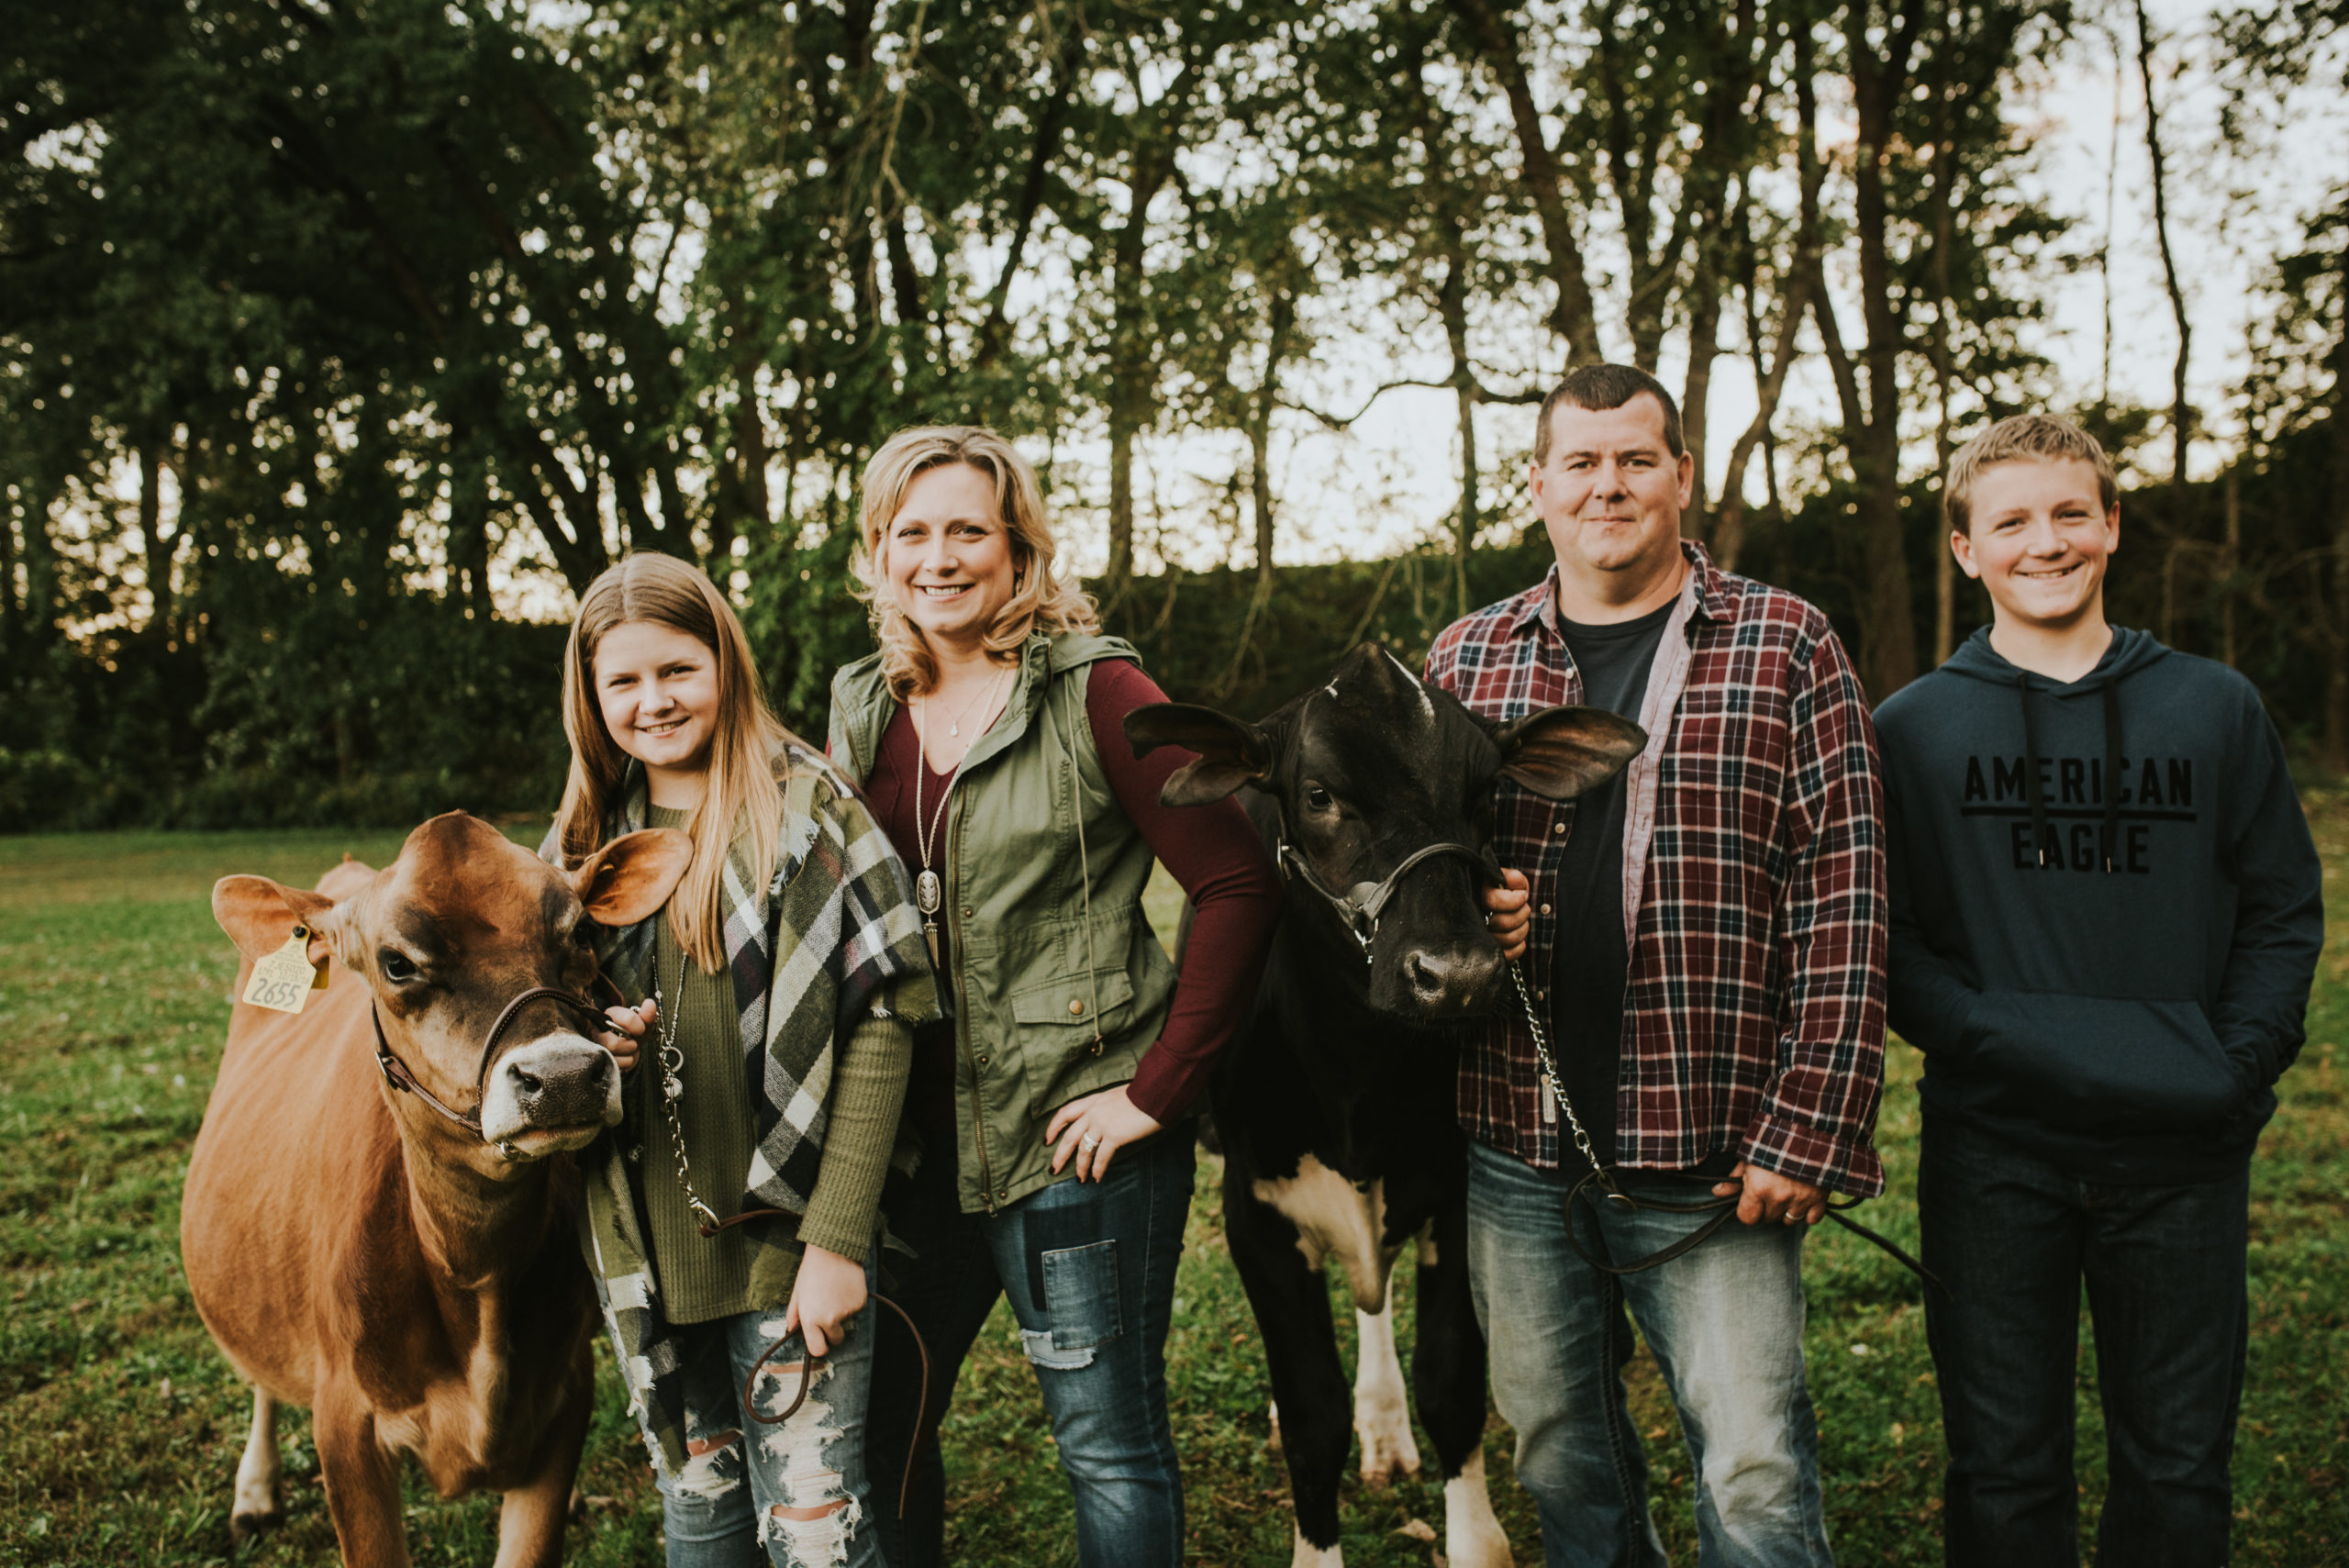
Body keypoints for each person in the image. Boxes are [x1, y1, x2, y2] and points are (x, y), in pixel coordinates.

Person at [1431, 363, 1887, 1568]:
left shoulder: (1788, 643)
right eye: (1579, 462)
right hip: (1518, 1142)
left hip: (1716, 1139)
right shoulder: (1468, 661)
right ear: (1536, 486)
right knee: (1558, 1448)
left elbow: (1846, 894)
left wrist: (1811, 1128)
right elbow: (1415, 877)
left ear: (1683, 476)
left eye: (1636, 459)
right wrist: (1484, 918)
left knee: (1752, 1464)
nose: (1608, 485)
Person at [1875, 415, 2322, 1566]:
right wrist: (1993, 1041)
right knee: (2004, 1472)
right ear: (1966, 548)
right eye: (2011, 520)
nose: (2046, 541)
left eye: (2071, 512)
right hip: (1994, 1156)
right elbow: (1897, 944)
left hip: (2182, 1153)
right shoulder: (1911, 730)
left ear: (2112, 526)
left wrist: (2236, 1064)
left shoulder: (2214, 707)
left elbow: (2280, 909)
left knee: (2177, 1472)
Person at [829, 426, 1281, 1568]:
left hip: (1076, 1147)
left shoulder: (1097, 691)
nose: (939, 557)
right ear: (878, 553)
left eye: (967, 530)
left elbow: (1233, 881)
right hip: (914, 1157)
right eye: (910, 532)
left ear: (1017, 546)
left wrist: (1157, 1090)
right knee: (882, 1426)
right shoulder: (860, 706)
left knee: (1107, 1447)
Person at [548, 551, 937, 1567]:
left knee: (817, 1527)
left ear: (724, 660)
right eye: (622, 681)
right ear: (590, 698)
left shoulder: (806, 813)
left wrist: (838, 1240)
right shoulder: (582, 843)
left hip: (789, 1247)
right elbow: (549, 1033)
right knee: (703, 1518)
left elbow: (884, 1022)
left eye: (676, 669)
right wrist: (599, 1035)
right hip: (650, 1261)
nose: (653, 700)